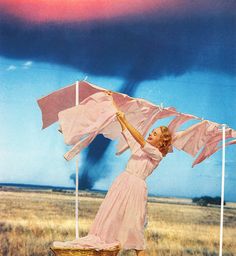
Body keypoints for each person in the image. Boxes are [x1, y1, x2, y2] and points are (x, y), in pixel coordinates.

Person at [53, 108, 172, 256]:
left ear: (161, 143)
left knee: (134, 227)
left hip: (135, 187)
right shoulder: (139, 149)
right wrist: (119, 115)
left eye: (155, 134)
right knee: (111, 221)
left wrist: (126, 120)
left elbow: (140, 141)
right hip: (123, 183)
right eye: (152, 132)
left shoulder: (157, 155)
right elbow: (128, 135)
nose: (150, 134)